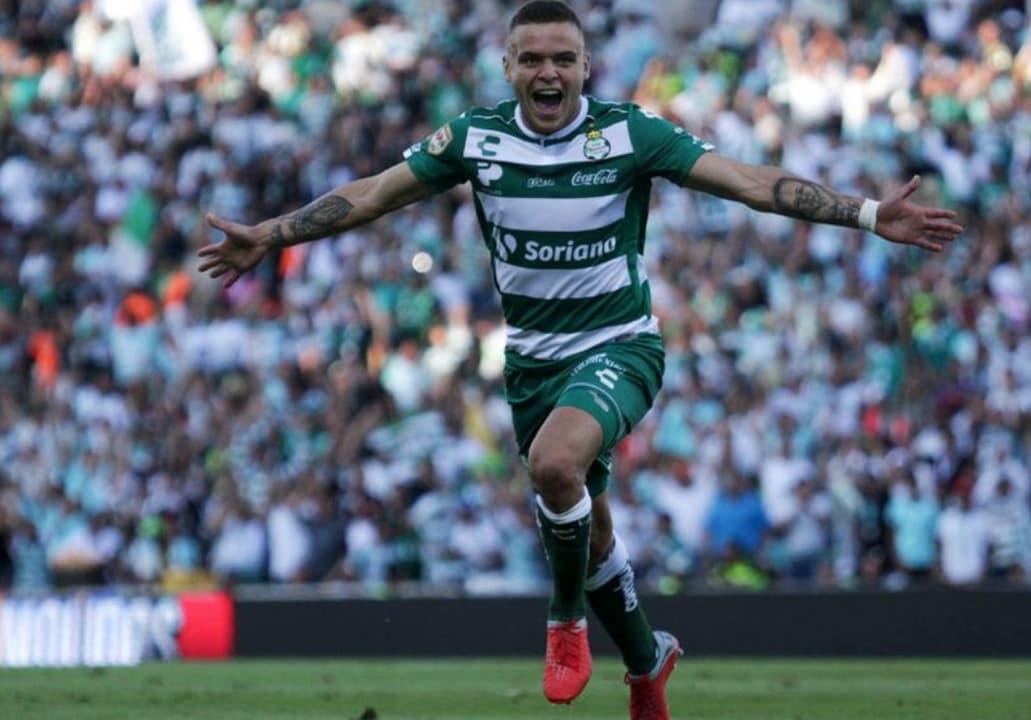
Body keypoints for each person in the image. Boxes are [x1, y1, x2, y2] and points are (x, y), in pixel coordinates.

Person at [196, 2, 963, 717]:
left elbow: (750, 182)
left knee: (555, 465)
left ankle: (564, 621)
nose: (549, 72)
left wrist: (867, 213)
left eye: (563, 58)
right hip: (533, 365)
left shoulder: (630, 135)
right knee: (587, 531)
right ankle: (646, 662)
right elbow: (371, 195)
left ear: (586, 67)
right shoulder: (475, 139)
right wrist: (271, 234)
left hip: (620, 347)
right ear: (508, 67)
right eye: (532, 59)